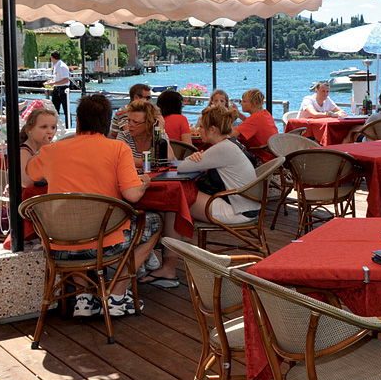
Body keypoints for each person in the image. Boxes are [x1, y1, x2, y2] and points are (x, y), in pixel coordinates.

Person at [26, 94, 160, 318]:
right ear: (107, 122)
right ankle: (117, 294)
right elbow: (132, 195)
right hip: (105, 244)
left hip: (59, 246)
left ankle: (84, 297)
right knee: (155, 222)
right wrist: (144, 182)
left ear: (78, 121)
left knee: (72, 223)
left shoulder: (52, 151)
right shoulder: (118, 149)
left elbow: (29, 177)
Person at [155, 104, 258, 284]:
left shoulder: (221, 148)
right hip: (245, 204)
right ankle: (168, 252)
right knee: (178, 200)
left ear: (213, 129)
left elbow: (183, 167)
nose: (198, 129)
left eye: (201, 126)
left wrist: (192, 157)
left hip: (237, 210)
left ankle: (167, 266)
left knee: (176, 203)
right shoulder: (231, 144)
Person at [233, 88, 278, 162]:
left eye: (244, 101)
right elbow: (250, 123)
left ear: (253, 104)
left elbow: (231, 134)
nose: (241, 104)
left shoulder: (254, 119)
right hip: (275, 157)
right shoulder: (265, 113)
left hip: (263, 160)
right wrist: (238, 114)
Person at [19, 107, 58, 188]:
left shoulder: (52, 148)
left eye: (53, 127)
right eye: (44, 127)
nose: (50, 131)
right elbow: (25, 182)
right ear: (29, 129)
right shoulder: (24, 152)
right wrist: (43, 151)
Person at [118, 99, 160, 168]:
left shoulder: (157, 137)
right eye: (129, 120)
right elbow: (121, 161)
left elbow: (169, 158)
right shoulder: (124, 136)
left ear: (148, 123)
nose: (130, 124)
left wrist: (161, 129)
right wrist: (152, 162)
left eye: (135, 122)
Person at [48, 51, 70, 123]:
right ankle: (55, 125)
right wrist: (52, 81)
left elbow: (66, 80)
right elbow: (58, 78)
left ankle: (68, 125)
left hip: (63, 89)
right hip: (56, 89)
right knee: (55, 110)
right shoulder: (56, 66)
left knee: (66, 110)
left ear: (52, 57)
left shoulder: (62, 66)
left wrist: (54, 83)